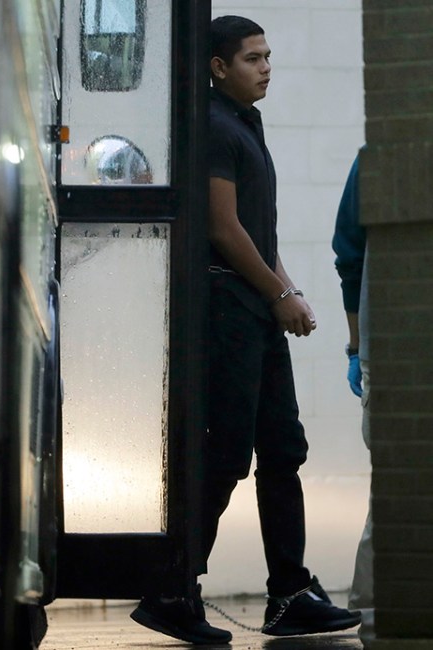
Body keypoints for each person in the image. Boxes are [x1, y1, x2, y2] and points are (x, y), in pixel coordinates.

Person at [129, 15, 362, 644]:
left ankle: (290, 593)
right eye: (252, 59)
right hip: (228, 310)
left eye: (268, 57)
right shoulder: (212, 124)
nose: (265, 68)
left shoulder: (246, 122)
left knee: (283, 450)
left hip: (257, 309)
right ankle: (171, 590)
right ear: (218, 67)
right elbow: (223, 229)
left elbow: (259, 233)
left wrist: (289, 291)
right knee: (227, 455)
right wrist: (278, 291)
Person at [332, 151, 374, 642]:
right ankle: (373, 615)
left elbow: (350, 258)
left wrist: (357, 349)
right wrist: (358, 348)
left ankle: (373, 613)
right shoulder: (374, 163)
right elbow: (351, 258)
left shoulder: (372, 161)